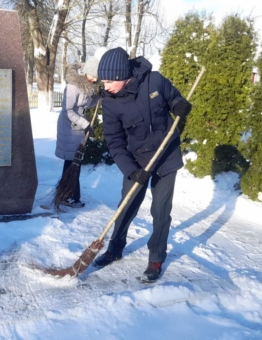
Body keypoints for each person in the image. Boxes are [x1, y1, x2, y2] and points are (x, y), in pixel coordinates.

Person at [93, 47, 192, 282]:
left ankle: (156, 257)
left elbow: (175, 98)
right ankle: (115, 248)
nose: (105, 86)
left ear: (122, 75)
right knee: (126, 206)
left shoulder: (155, 80)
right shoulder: (110, 103)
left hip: (166, 156)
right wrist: (131, 170)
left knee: (160, 211)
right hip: (135, 160)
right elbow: (115, 142)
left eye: (108, 80)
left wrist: (180, 105)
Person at [54, 47, 107, 208]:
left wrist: (98, 98)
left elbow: (85, 104)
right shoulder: (73, 86)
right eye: (93, 76)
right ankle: (69, 196)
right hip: (68, 127)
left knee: (73, 163)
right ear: (87, 72)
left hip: (78, 126)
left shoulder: (88, 85)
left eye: (97, 78)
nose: (95, 80)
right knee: (72, 163)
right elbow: (68, 110)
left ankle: (67, 194)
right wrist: (85, 124)